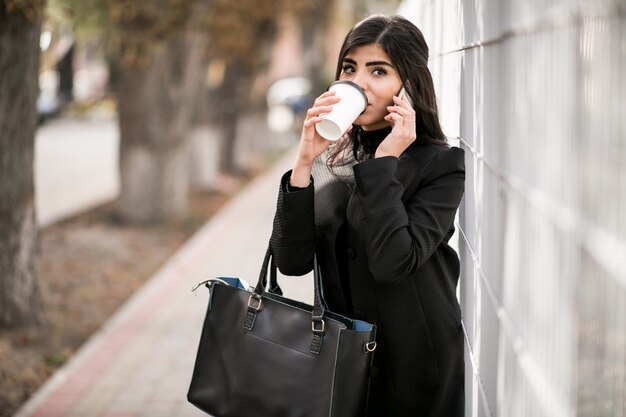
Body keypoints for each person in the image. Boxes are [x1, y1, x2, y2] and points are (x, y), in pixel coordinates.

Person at [270, 14, 465, 417]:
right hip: (340, 361)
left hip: (414, 370)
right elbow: (291, 263)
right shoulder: (329, 161)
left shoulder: (441, 165)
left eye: (379, 70)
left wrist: (385, 160)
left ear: (408, 84)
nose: (358, 82)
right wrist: (305, 160)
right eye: (349, 67)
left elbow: (393, 262)